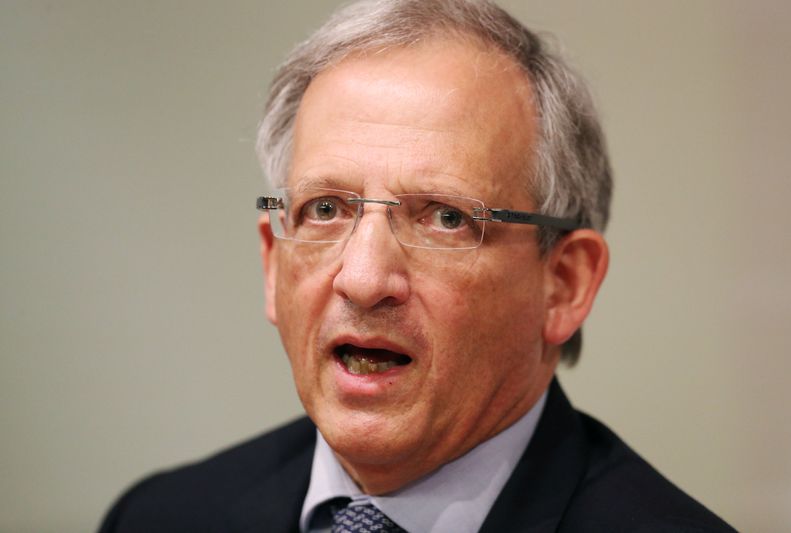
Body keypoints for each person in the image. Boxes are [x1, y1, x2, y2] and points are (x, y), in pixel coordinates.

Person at [99, 1, 735, 531]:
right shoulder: (161, 516)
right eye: (325, 209)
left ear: (563, 285)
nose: (364, 279)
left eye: (445, 217)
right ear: (273, 264)